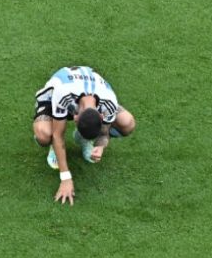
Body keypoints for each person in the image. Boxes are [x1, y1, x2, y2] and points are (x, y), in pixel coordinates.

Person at [32, 65, 138, 205]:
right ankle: (53, 147)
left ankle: (82, 139)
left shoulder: (109, 103)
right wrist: (66, 178)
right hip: (53, 96)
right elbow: (59, 135)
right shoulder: (63, 93)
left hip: (89, 90)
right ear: (75, 117)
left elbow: (104, 133)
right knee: (45, 135)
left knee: (128, 123)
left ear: (101, 115)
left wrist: (100, 146)